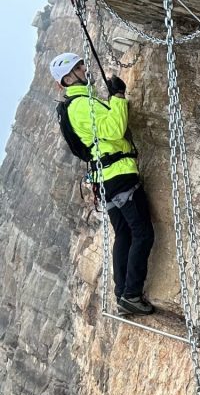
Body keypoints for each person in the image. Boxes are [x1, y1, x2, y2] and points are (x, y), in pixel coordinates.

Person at [50, 52, 155, 316]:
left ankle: (123, 294)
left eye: (82, 64)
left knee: (125, 234)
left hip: (106, 179)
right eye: (78, 67)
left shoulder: (78, 104)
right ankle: (130, 294)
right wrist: (118, 97)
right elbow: (115, 128)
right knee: (142, 233)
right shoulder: (81, 105)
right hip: (118, 175)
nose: (85, 68)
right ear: (68, 78)